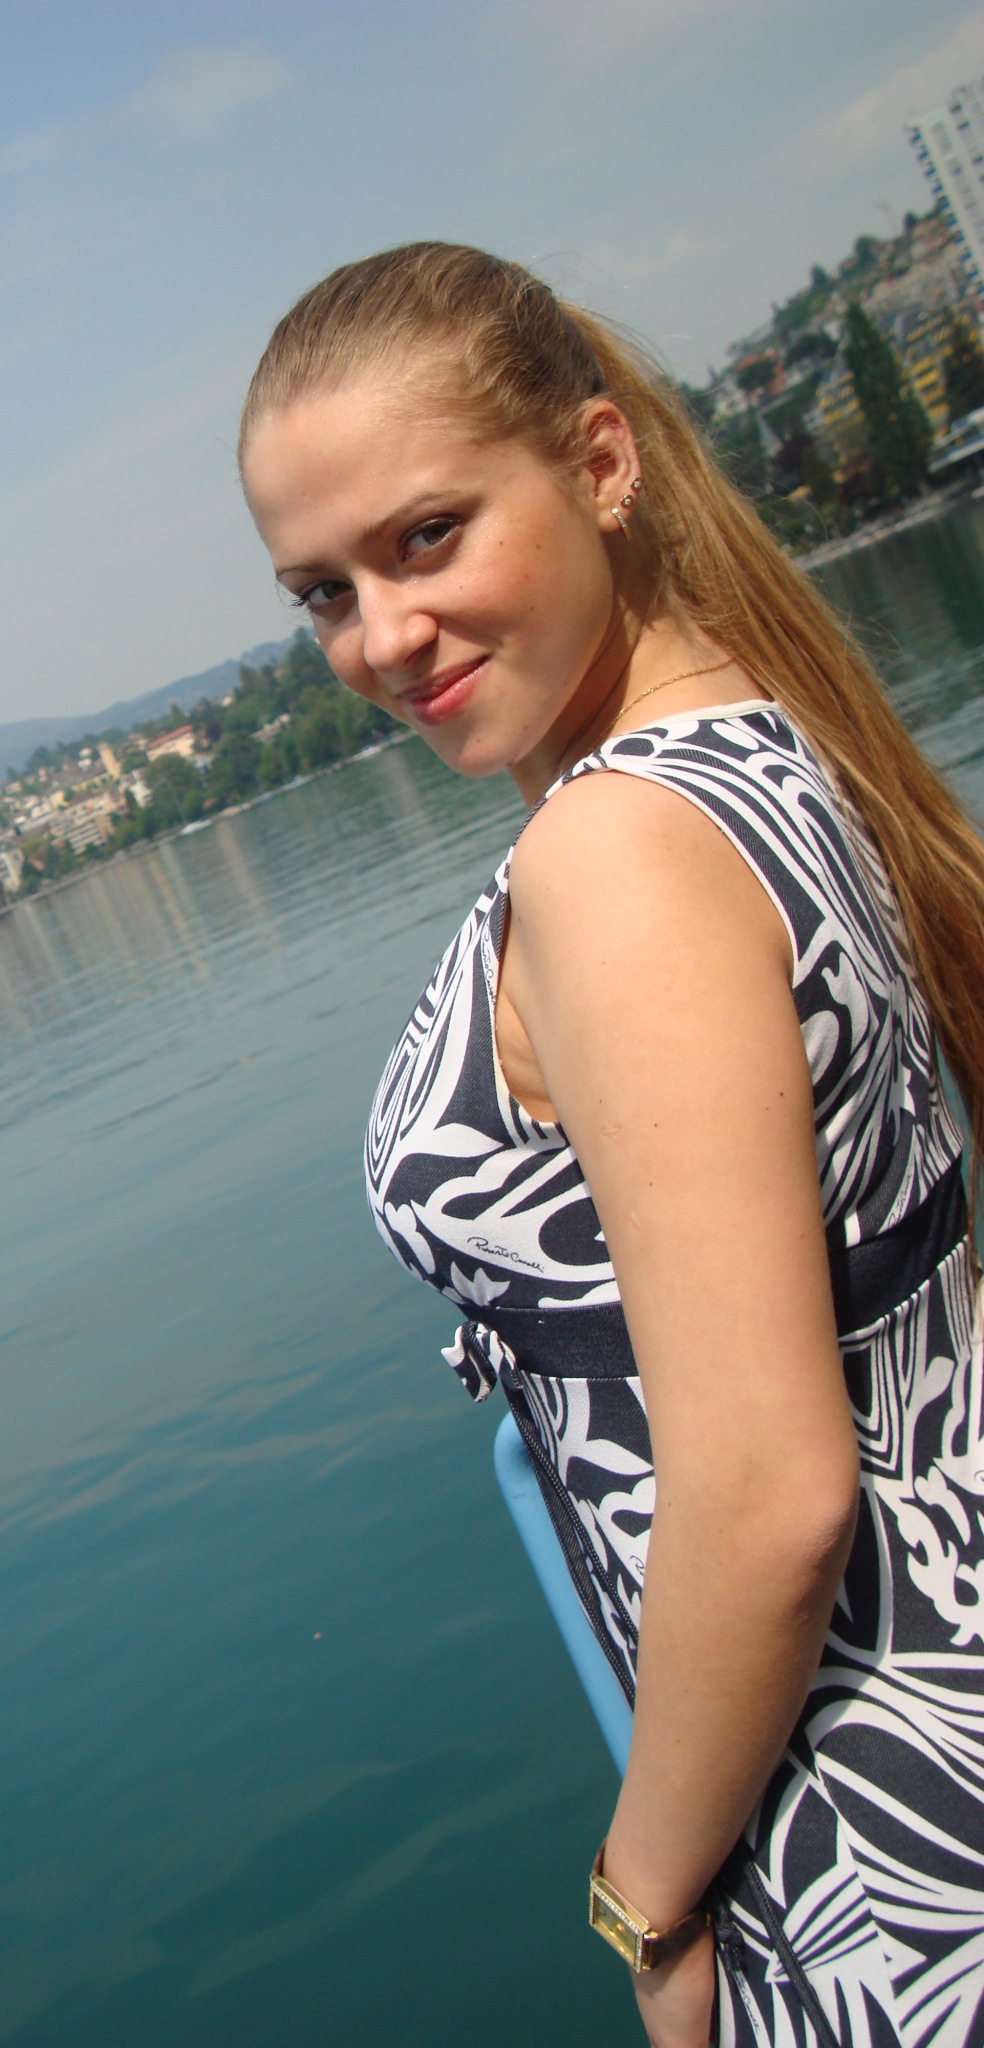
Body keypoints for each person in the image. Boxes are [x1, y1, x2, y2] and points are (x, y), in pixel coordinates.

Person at [238, 243, 984, 2048]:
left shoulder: (614, 859)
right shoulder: (761, 738)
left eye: (428, 538)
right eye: (323, 591)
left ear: (600, 462)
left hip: (871, 1815)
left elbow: (771, 1491)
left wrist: (647, 1904)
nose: (380, 638)